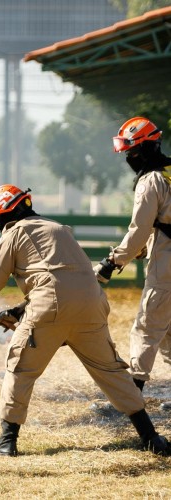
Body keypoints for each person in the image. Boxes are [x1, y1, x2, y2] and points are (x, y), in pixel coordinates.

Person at [0, 184, 170, 457]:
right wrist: (21, 310)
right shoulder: (60, 229)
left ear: (1, 214)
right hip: (92, 305)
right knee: (113, 372)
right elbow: (64, 278)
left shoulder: (15, 232)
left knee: (21, 369)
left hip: (49, 308)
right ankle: (151, 438)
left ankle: (6, 442)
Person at [94, 117, 171, 399]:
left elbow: (139, 230)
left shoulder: (151, 180)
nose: (129, 157)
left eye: (132, 151)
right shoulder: (170, 172)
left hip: (167, 268)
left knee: (146, 328)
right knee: (169, 331)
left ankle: (130, 399)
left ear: (145, 149)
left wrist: (112, 262)